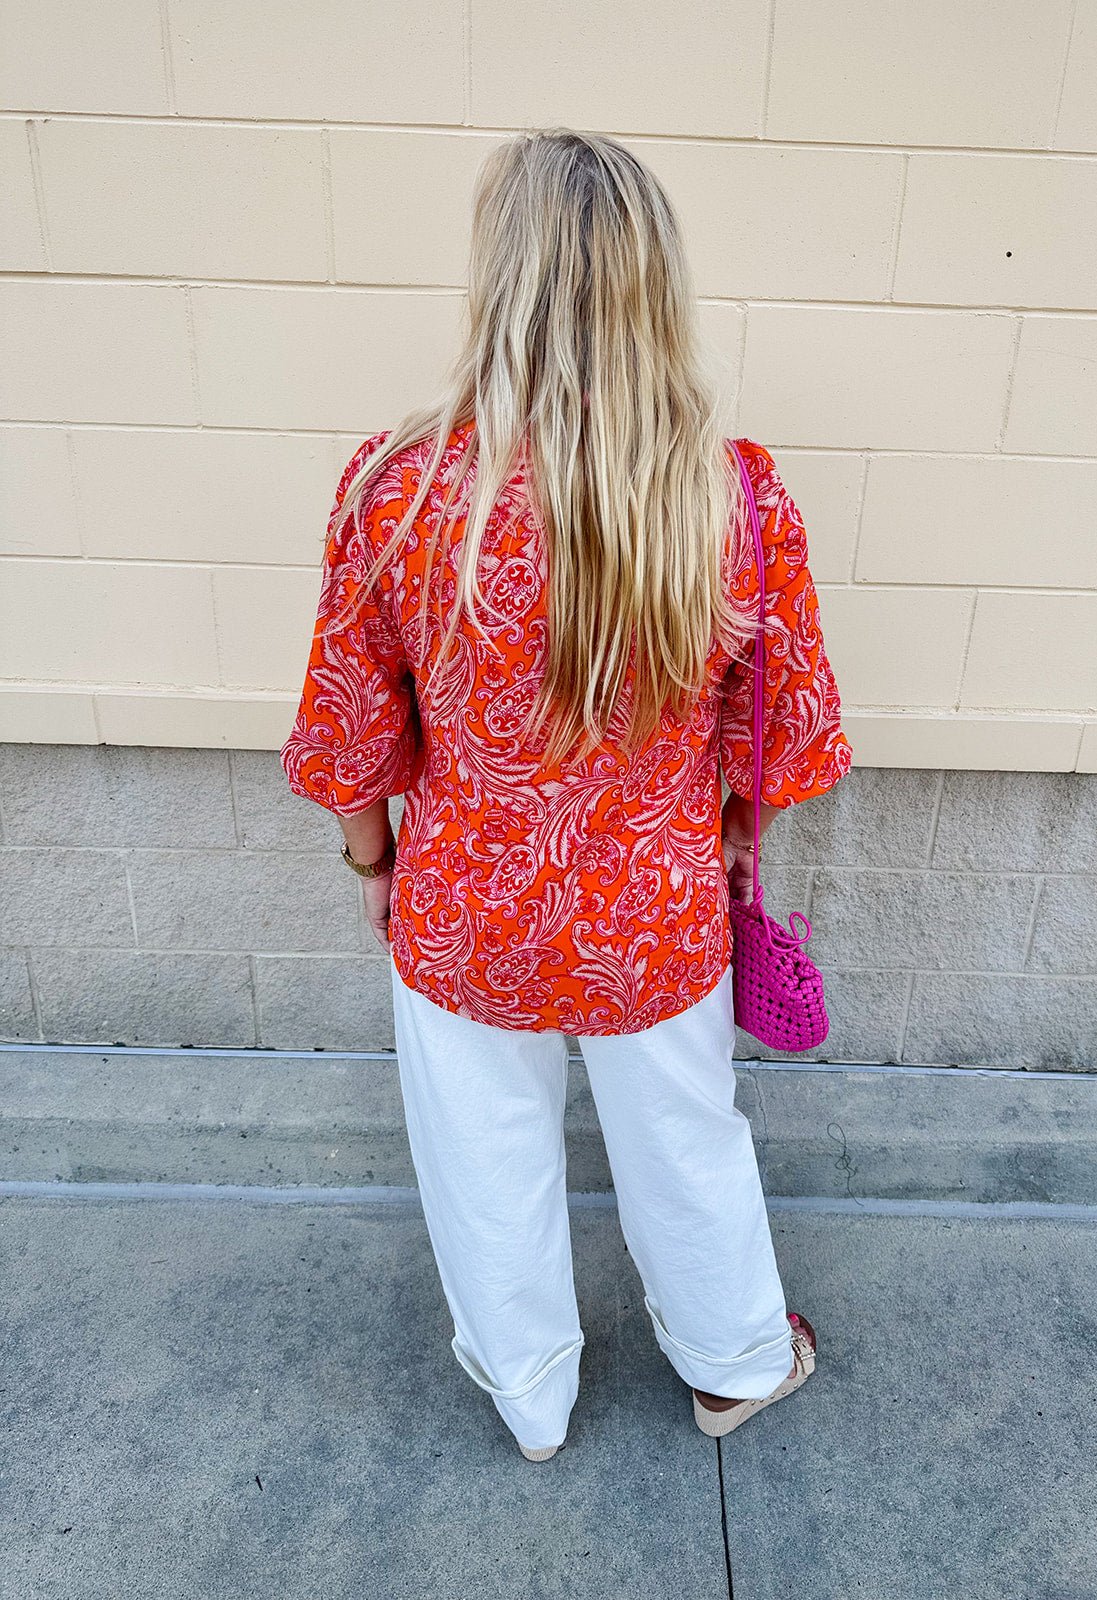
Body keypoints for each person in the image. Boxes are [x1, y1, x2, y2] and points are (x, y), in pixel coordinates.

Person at [281, 127, 853, 1462]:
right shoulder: (729, 496)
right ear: (654, 283)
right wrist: (730, 837)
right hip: (656, 904)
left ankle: (532, 1400)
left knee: (481, 1158)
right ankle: (735, 1364)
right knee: (685, 1139)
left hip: (465, 901)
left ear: (502, 279)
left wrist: (374, 865)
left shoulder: (397, 490)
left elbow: (349, 731)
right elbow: (782, 736)